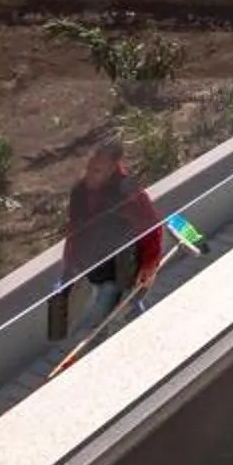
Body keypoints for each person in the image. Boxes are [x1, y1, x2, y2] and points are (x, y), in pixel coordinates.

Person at [60, 141, 161, 334]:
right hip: (92, 263)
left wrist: (148, 265)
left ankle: (139, 323)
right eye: (88, 167)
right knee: (96, 315)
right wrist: (68, 267)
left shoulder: (127, 192)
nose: (89, 175)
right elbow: (74, 231)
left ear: (112, 169)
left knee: (122, 302)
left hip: (122, 262)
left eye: (96, 170)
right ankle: (99, 337)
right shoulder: (80, 191)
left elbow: (150, 225)